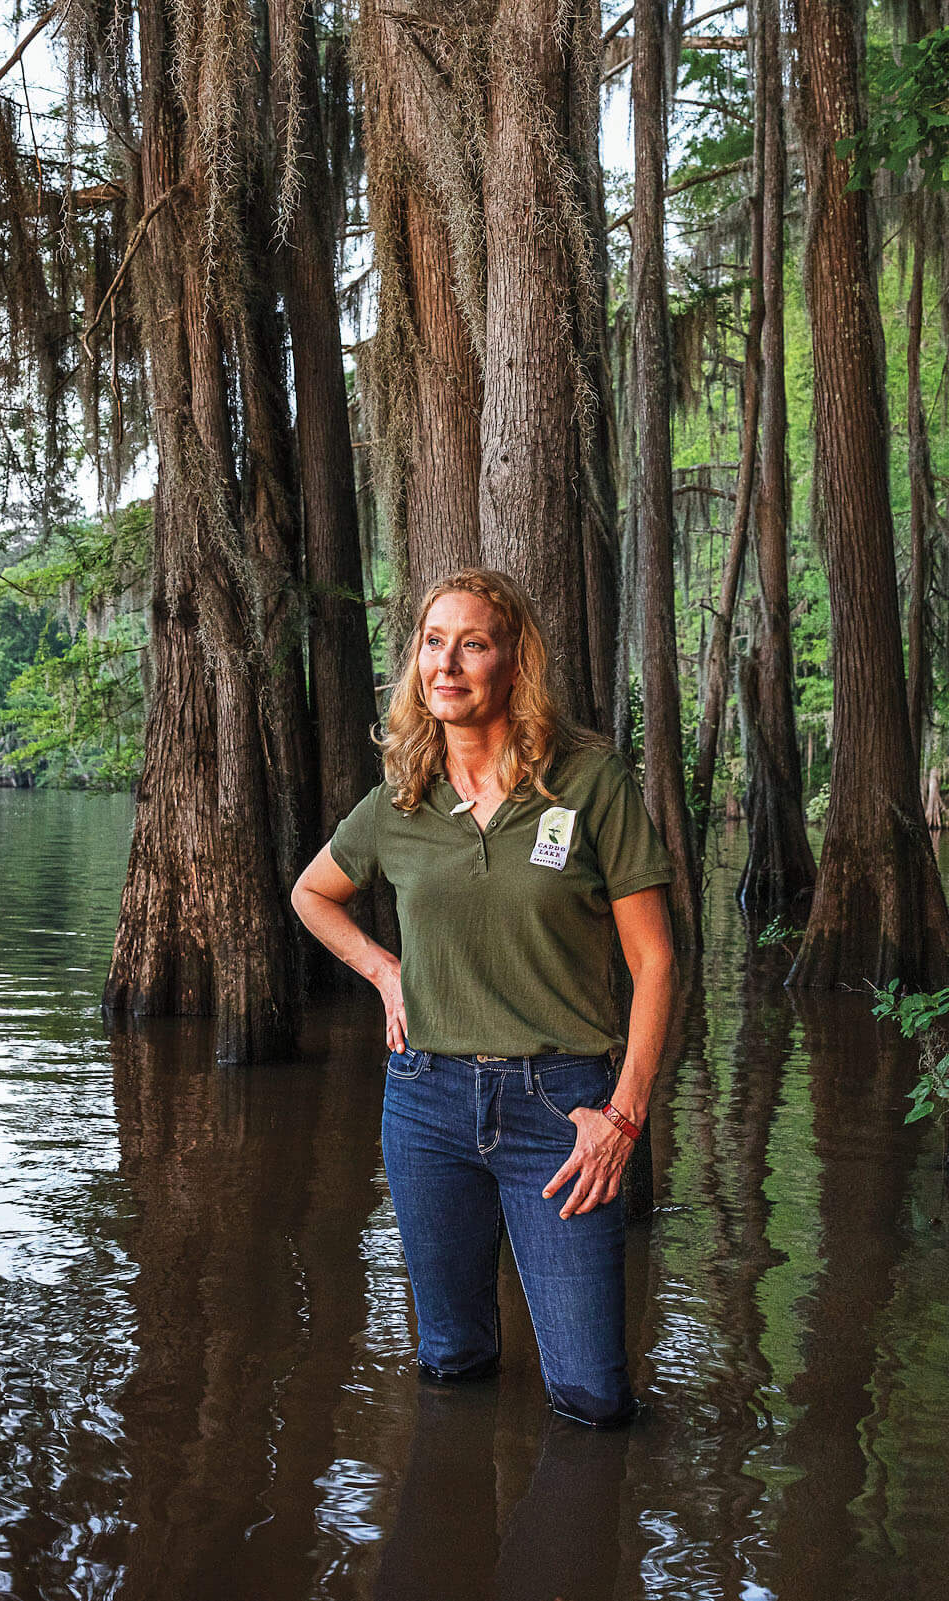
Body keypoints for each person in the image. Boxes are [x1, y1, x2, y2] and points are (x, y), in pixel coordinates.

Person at [291, 568, 676, 1429]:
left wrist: (622, 1116)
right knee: (450, 1363)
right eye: (434, 642)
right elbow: (311, 895)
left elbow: (654, 963)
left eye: (473, 643)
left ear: (513, 662)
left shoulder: (586, 782)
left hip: (563, 1108)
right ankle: (456, 1536)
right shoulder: (402, 799)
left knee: (593, 1397)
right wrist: (387, 972)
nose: (448, 663)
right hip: (426, 1104)